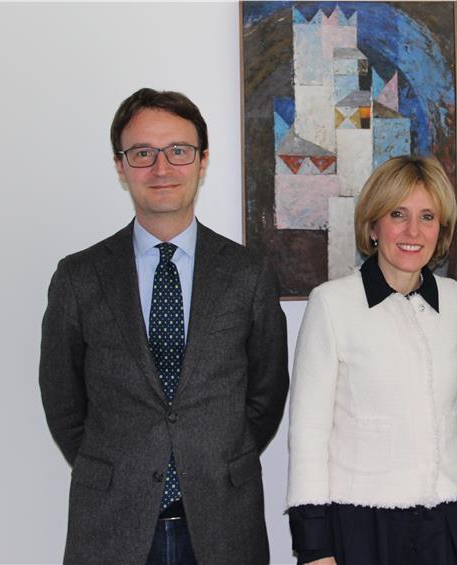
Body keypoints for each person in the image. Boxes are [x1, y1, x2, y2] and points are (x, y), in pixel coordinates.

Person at [39, 88, 289, 565]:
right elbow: (63, 401)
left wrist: (214, 457)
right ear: (120, 166)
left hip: (223, 521)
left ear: (202, 160)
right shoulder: (78, 277)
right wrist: (117, 467)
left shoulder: (248, 274)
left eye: (178, 150)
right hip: (111, 523)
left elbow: (267, 393)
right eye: (142, 153)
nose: (161, 167)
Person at [286, 156, 457, 565]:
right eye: (398, 214)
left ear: (441, 231)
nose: (413, 231)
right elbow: (308, 432)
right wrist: (314, 546)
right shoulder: (331, 304)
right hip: (364, 527)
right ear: (372, 225)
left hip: (450, 522)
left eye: (427, 217)